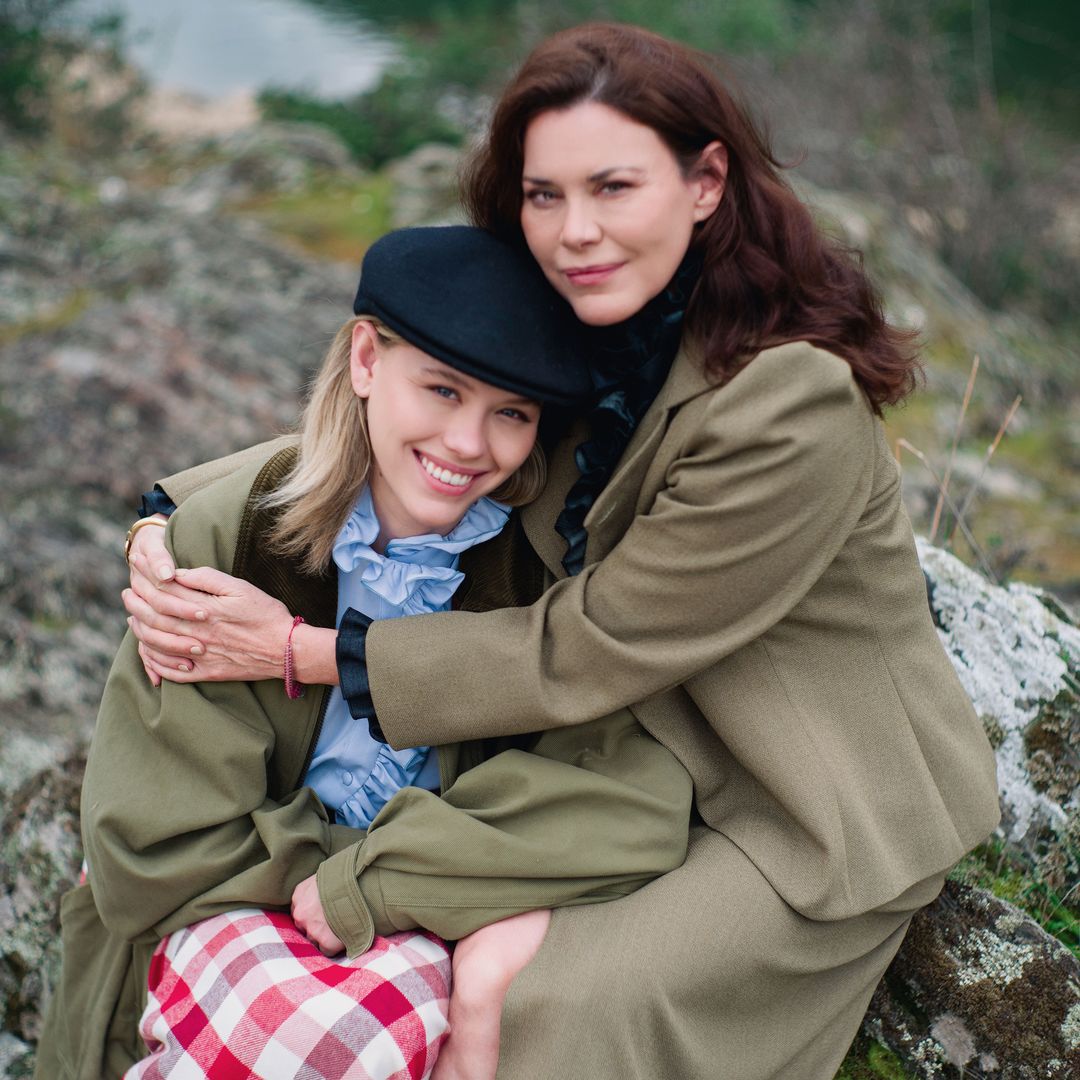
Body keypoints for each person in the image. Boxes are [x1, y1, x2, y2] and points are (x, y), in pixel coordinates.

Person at [122, 22, 1002, 1080]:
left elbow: (594, 644)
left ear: (706, 182)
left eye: (614, 187)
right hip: (634, 769)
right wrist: (170, 514)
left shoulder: (788, 400)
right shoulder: (600, 327)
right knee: (460, 974)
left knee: (539, 1001)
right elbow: (423, 420)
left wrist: (302, 652)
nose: (575, 230)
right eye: (545, 195)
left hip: (798, 805)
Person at [36, 225, 693, 1080]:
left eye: (512, 413)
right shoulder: (225, 542)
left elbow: (620, 801)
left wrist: (389, 879)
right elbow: (158, 846)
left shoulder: (544, 578)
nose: (468, 443)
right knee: (305, 1033)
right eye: (443, 390)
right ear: (366, 361)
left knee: (400, 1027)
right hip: (228, 914)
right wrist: (409, 865)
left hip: (416, 914)